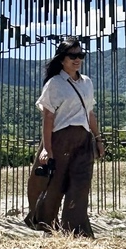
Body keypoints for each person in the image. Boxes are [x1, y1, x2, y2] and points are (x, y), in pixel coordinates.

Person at [24, 36, 105, 237]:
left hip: (84, 140)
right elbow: (48, 117)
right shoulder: (54, 83)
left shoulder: (87, 82)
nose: (77, 59)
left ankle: (77, 233)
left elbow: (90, 113)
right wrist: (46, 149)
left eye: (80, 55)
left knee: (81, 186)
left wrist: (98, 138)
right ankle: (47, 226)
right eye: (72, 55)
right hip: (61, 140)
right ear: (62, 59)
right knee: (55, 186)